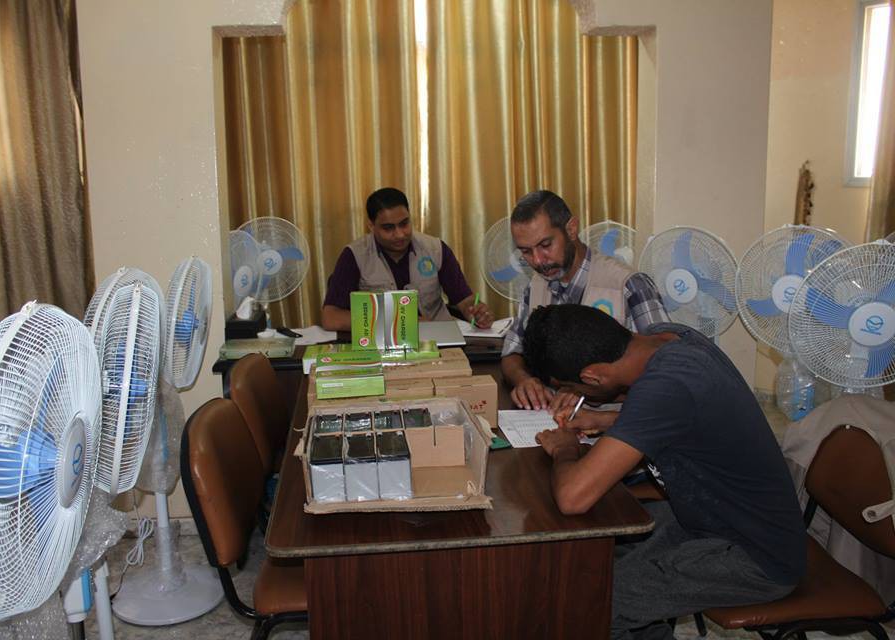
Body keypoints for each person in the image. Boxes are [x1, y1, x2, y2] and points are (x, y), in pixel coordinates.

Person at [523, 304, 806, 640]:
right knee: (586, 555)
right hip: (708, 519)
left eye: (576, 389)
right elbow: (682, 410)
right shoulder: (668, 338)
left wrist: (565, 447)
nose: (578, 397)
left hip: (754, 556)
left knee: (585, 605)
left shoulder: (668, 384)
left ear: (593, 377)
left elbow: (573, 497)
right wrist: (607, 420)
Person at [501, 190, 669, 411]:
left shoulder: (629, 285)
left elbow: (668, 369)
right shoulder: (536, 285)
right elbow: (512, 352)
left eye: (545, 245)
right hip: (551, 417)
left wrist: (589, 393)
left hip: (618, 420)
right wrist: (524, 380)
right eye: (526, 252)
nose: (538, 261)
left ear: (571, 229)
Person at [321, 188, 493, 331]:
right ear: (371, 226)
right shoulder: (354, 255)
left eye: (404, 224)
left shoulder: (435, 249)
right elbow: (331, 318)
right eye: (388, 228)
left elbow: (465, 300)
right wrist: (402, 322)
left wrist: (476, 311)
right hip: (382, 343)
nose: (399, 234)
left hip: (438, 339)